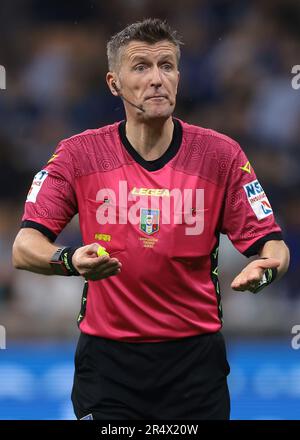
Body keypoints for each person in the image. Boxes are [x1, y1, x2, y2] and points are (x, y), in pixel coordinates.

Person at [12, 18, 290, 420]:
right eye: (141, 67)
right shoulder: (77, 155)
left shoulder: (221, 155)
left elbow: (273, 246)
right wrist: (70, 261)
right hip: (108, 365)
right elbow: (24, 248)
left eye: (167, 66)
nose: (157, 79)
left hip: (195, 364)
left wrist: (269, 268)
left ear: (179, 76)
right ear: (114, 83)